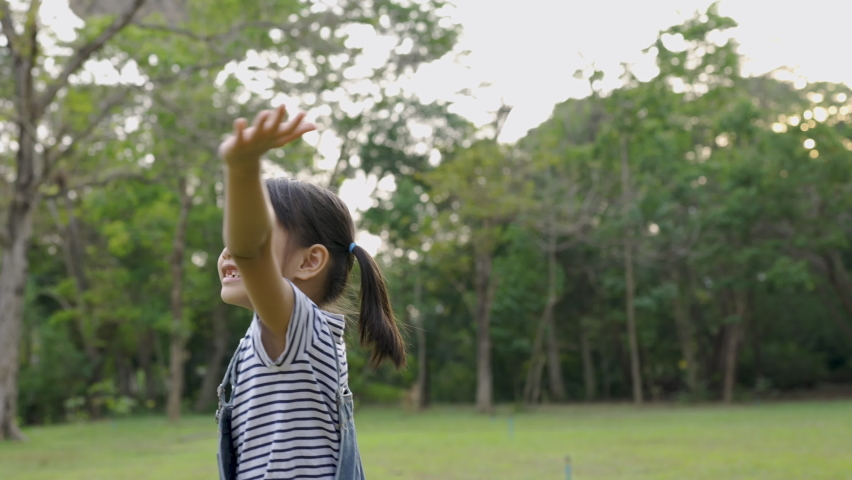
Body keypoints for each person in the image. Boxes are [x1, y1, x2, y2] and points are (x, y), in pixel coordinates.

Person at [215, 104, 406, 480]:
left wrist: (242, 169)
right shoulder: (279, 336)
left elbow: (250, 250)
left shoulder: (296, 328)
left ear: (309, 262)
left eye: (256, 226)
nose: (229, 248)